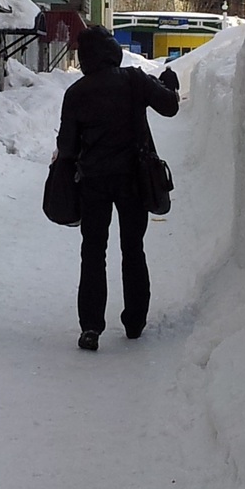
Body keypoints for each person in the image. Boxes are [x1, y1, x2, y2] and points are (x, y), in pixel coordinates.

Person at [53, 24, 180, 351]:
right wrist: (168, 84)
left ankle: (91, 327)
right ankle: (135, 321)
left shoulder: (76, 93)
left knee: (93, 251)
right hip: (133, 179)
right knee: (132, 247)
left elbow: (67, 147)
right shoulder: (134, 80)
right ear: (112, 51)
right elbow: (170, 106)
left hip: (93, 182)